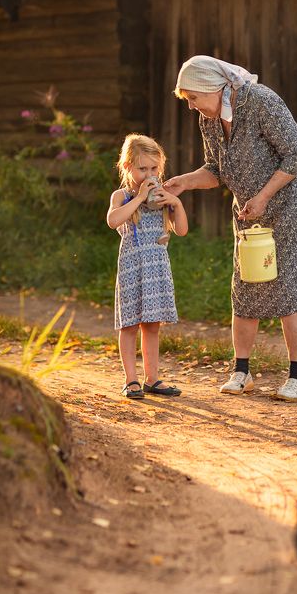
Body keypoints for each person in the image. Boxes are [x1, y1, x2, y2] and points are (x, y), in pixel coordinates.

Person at [165, 56, 297, 402]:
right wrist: (185, 181)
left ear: (213, 87)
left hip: (293, 203)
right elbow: (216, 170)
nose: (192, 107)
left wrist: (263, 196)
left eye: (193, 98)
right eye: (188, 101)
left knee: (291, 285)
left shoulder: (260, 101)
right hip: (251, 210)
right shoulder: (209, 119)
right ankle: (241, 372)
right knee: (245, 285)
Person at [107, 133, 189, 399]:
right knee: (130, 325)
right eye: (143, 169)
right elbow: (113, 221)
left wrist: (176, 203)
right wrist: (140, 197)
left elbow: (182, 230)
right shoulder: (122, 196)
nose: (149, 174)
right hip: (132, 268)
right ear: (127, 166)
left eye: (154, 169)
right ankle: (130, 380)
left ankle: (152, 379)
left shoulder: (163, 196)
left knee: (152, 325)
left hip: (157, 268)